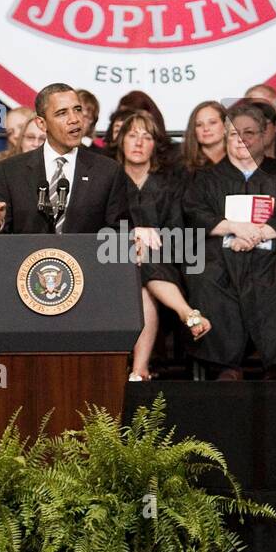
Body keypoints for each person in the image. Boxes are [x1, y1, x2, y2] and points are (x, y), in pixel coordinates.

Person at [181, 103, 276, 379]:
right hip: (223, 251)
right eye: (234, 134)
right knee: (207, 276)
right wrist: (234, 227)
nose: (242, 140)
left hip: (273, 250)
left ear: (265, 136)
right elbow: (195, 212)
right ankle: (225, 367)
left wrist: (258, 233)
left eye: (249, 133)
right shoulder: (207, 178)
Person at [114, 110, 210, 380]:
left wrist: (151, 238)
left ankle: (139, 369)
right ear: (121, 141)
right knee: (134, 253)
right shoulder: (108, 181)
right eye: (132, 136)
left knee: (143, 280)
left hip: (164, 259)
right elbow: (97, 227)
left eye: (146, 137)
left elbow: (179, 232)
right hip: (111, 259)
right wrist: (132, 234)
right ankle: (187, 313)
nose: (139, 143)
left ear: (155, 145)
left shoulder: (170, 184)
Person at [0, 84, 129, 235]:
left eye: (77, 110)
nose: (74, 119)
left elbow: (120, 235)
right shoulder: (9, 172)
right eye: (62, 113)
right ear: (42, 123)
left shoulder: (108, 171)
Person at [179, 100, 227, 174]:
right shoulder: (180, 165)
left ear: (226, 126)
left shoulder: (242, 160)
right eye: (199, 124)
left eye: (212, 122)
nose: (206, 128)